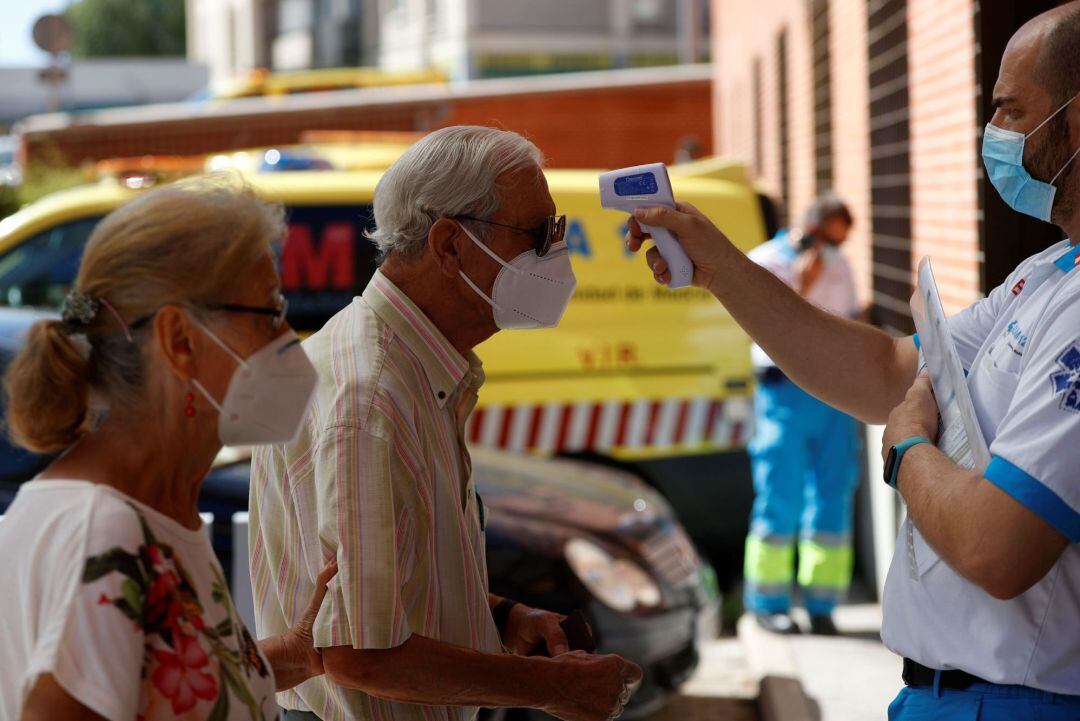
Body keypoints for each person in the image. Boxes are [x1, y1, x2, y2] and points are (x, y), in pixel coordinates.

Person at [626, 4, 1080, 717]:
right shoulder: (1045, 274)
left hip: (1018, 702)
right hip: (951, 695)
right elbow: (888, 371)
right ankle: (775, 603)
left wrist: (906, 449)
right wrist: (718, 266)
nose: (994, 136)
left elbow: (999, 547)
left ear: (1076, 124)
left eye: (1011, 111)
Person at [249, 126, 642, 721]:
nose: (556, 256)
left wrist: (506, 618)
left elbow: (383, 591)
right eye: (539, 235)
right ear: (451, 243)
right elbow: (359, 654)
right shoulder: (372, 400)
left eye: (556, 233)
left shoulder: (414, 370)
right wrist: (552, 688)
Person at [0, 178, 338, 721]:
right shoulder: (102, 534)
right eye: (270, 313)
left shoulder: (151, 513)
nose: (288, 337)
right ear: (180, 341)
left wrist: (295, 656)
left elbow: (175, 688)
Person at [743, 194, 861, 636]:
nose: (834, 249)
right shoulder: (766, 262)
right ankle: (768, 602)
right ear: (810, 228)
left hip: (833, 394)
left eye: (841, 242)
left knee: (832, 496)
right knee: (780, 496)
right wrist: (803, 277)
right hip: (783, 394)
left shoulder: (840, 265)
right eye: (829, 238)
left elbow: (849, 318)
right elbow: (770, 324)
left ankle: (822, 603)